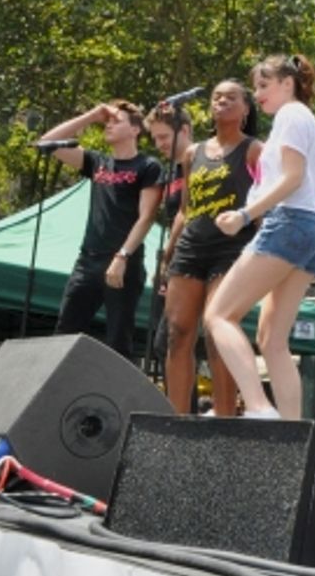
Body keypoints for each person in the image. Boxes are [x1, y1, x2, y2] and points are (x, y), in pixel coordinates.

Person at [205, 55, 315, 420]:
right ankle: (292, 431)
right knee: (272, 339)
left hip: (291, 223)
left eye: (263, 85)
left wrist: (246, 214)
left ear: (286, 83)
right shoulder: (299, 121)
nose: (257, 94)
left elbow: (292, 178)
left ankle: (259, 406)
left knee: (218, 316)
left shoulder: (291, 116)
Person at [157, 82, 262, 416]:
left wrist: (264, 254)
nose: (222, 101)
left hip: (232, 249)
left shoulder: (254, 150)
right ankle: (178, 419)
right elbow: (185, 210)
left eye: (232, 97)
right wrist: (169, 253)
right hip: (191, 247)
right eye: (217, 96)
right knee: (177, 333)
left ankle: (225, 418)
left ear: (246, 108)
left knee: (217, 332)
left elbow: (263, 206)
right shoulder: (192, 153)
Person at [42, 101, 162, 358]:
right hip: (88, 260)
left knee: (119, 340)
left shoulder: (148, 166)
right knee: (64, 333)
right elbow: (48, 142)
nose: (108, 125)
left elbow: (147, 217)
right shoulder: (97, 162)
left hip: (123, 263)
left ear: (135, 130)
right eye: (107, 121)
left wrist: (122, 256)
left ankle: (117, 397)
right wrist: (91, 115)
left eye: (116, 121)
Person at [145, 105, 193, 371]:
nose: (158, 144)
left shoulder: (199, 161)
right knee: (164, 343)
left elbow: (185, 215)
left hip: (193, 260)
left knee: (174, 341)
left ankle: (185, 411)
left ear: (184, 130)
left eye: (163, 137)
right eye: (155, 138)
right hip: (176, 263)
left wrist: (167, 255)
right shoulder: (170, 172)